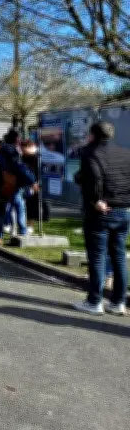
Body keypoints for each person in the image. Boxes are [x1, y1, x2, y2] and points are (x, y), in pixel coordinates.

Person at [73, 121, 130, 315]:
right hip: (123, 209)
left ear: (93, 135)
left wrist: (95, 199)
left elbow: (94, 177)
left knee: (97, 257)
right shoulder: (125, 153)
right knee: (119, 257)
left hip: (101, 211)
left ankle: (94, 301)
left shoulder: (91, 152)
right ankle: (118, 301)